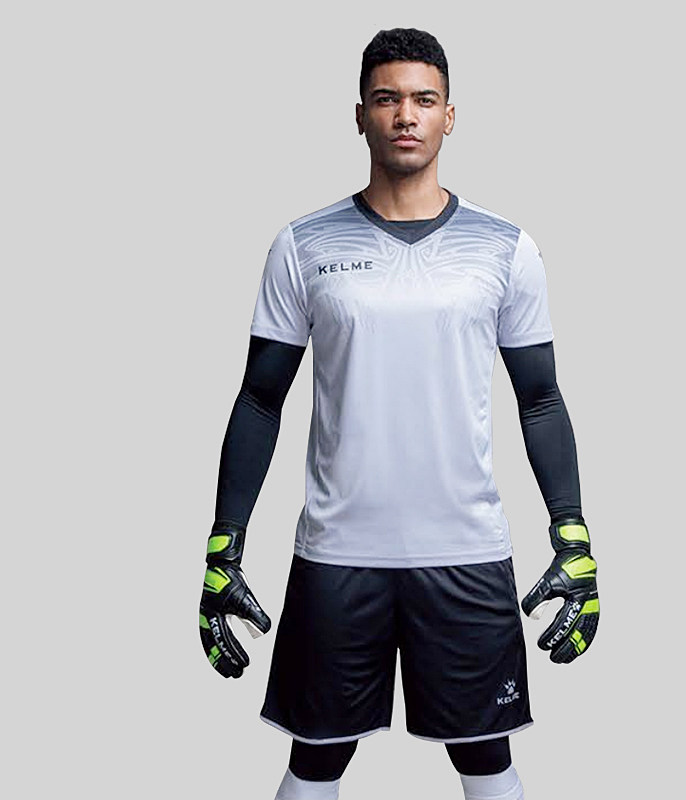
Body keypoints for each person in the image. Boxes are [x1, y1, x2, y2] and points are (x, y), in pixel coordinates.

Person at [198, 27, 599, 800]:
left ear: (450, 115)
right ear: (360, 116)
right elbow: (259, 398)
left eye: (423, 99)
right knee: (316, 762)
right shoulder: (302, 245)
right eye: (387, 99)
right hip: (337, 553)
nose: (405, 115)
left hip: (466, 550)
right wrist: (224, 547)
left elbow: (541, 398)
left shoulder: (505, 247)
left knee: (486, 761)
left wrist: (573, 536)